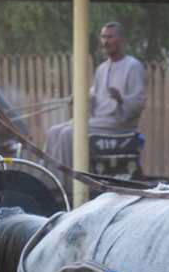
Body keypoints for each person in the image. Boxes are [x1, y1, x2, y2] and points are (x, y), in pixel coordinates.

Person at [44, 21, 148, 168]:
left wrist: (121, 98)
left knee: (68, 133)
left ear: (121, 40)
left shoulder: (133, 66)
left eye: (110, 37)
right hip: (99, 120)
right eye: (103, 37)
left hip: (118, 123)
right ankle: (48, 179)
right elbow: (94, 98)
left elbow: (140, 101)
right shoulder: (102, 68)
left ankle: (66, 180)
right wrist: (81, 99)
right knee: (54, 131)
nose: (106, 41)